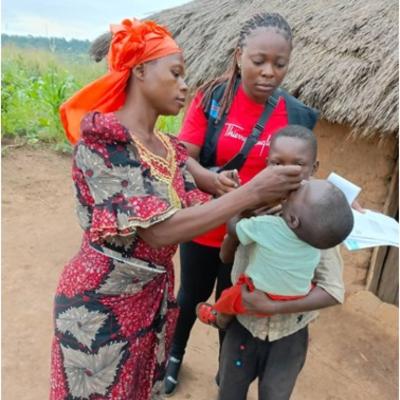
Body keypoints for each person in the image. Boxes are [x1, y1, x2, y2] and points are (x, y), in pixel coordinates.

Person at [49, 18, 303, 400]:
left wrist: (274, 201)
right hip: (100, 309)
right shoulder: (105, 142)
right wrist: (250, 193)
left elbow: (199, 202)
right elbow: (158, 230)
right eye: (176, 73)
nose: (186, 85)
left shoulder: (166, 149)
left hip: (149, 302)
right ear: (139, 71)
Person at [165, 12, 319, 395]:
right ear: (238, 56)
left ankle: (226, 371)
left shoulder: (296, 115)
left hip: (258, 235)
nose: (269, 72)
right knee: (191, 296)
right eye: (259, 61)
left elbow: (304, 173)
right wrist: (209, 179)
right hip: (207, 223)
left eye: (279, 64)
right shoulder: (213, 99)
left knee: (234, 304)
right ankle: (174, 356)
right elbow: (184, 155)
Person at [194, 127, 354, 330]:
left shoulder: (319, 220)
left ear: (314, 168)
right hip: (244, 325)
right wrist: (244, 211)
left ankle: (222, 316)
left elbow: (332, 291)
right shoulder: (253, 204)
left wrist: (272, 306)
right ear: (267, 164)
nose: (286, 172)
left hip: (287, 332)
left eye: (298, 164)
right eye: (277, 163)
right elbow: (226, 257)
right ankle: (222, 318)